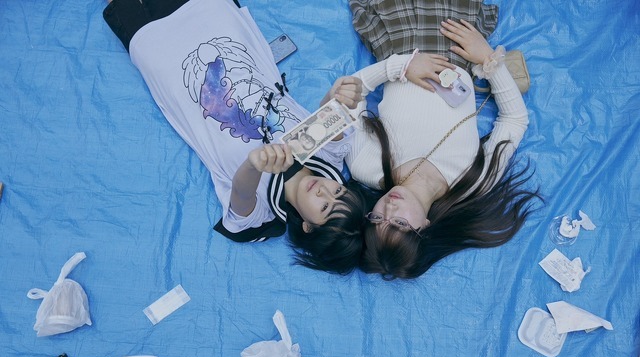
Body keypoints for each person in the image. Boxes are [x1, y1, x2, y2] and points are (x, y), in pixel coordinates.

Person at [103, 0, 369, 274]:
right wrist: (338, 94)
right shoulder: (325, 157)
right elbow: (329, 111)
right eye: (338, 192)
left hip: (172, 64)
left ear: (308, 227)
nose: (325, 190)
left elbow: (241, 193)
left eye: (325, 207)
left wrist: (255, 164)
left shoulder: (264, 213)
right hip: (220, 29)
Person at [345, 1, 540, 279]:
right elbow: (514, 121)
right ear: (424, 227)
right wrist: (488, 60)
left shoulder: (366, 168)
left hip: (397, 40)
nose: (388, 207)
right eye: (399, 223)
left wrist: (400, 66)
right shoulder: (473, 183)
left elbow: (349, 94)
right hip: (457, 44)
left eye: (377, 219)